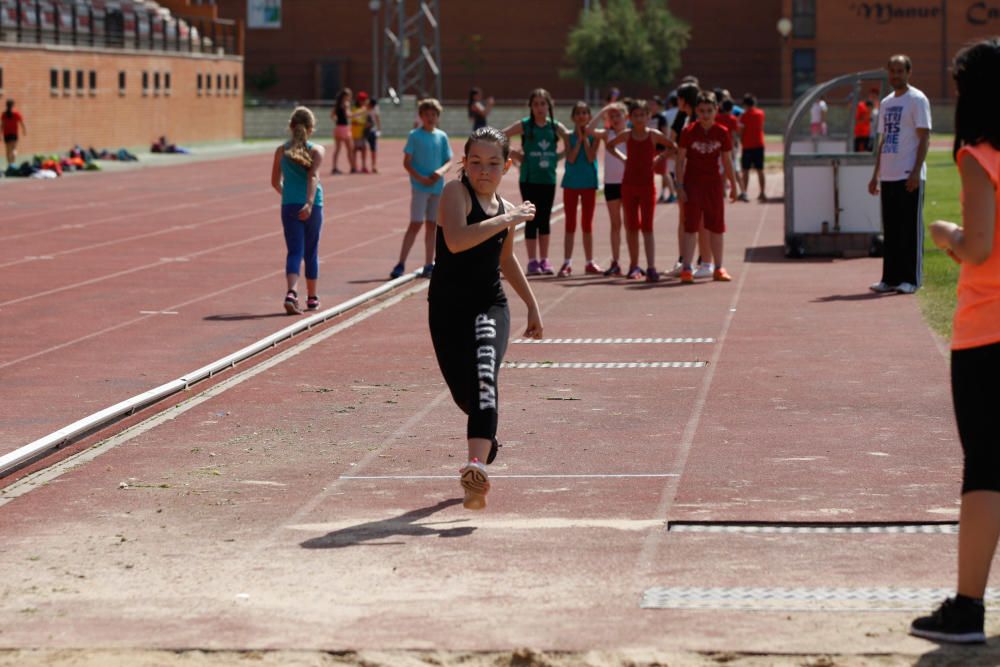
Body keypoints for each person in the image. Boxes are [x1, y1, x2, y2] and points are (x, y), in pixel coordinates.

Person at [910, 38, 1000, 645]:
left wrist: (943, 232)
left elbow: (979, 247)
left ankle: (967, 606)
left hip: (987, 329)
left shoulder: (978, 156)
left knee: (987, 467)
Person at [428, 126, 542, 510]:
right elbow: (458, 241)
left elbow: (505, 260)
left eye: (494, 163)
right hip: (446, 310)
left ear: (507, 166)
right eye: (475, 162)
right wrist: (509, 220)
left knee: (485, 378)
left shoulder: (507, 210)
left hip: (489, 305)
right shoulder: (453, 193)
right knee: (468, 395)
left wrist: (531, 303)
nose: (484, 170)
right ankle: (486, 437)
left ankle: (475, 470)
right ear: (464, 163)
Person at [867, 54, 932, 295]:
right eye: (892, 71)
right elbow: (883, 141)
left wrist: (915, 172)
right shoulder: (885, 103)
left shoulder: (917, 100)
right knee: (891, 230)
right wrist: (876, 175)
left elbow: (925, 136)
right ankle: (890, 278)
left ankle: (911, 279)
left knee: (909, 229)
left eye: (900, 71)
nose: (896, 75)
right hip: (889, 175)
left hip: (909, 174)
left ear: (908, 72)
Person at [606, 99, 675, 282]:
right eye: (635, 115)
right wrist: (623, 158)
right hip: (628, 185)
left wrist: (658, 158)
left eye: (642, 115)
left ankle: (651, 266)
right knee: (631, 228)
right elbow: (609, 146)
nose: (638, 118)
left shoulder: (653, 135)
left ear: (648, 116)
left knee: (648, 227)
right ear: (630, 117)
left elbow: (672, 147)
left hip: (647, 186)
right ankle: (634, 265)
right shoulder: (627, 135)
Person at [503, 88, 570, 275]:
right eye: (536, 104)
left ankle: (545, 260)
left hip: (548, 179)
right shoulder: (525, 125)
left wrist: (560, 156)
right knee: (531, 219)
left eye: (543, 104)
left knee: (545, 219)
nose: (540, 108)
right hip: (529, 179)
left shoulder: (555, 127)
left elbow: (570, 139)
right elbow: (501, 136)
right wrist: (515, 154)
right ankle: (532, 261)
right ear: (531, 107)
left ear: (549, 106)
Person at [676, 91, 739, 284]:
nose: (705, 115)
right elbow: (680, 160)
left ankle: (718, 267)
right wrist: (679, 185)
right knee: (691, 226)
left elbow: (727, 161)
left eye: (709, 111)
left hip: (713, 185)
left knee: (716, 227)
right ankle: (687, 268)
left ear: (716, 110)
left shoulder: (722, 132)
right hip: (693, 184)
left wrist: (734, 185)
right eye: (702, 111)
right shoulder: (688, 132)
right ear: (696, 111)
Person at [270, 107, 325, 314]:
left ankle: (292, 293)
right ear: (311, 129)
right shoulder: (316, 150)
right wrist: (309, 203)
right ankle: (312, 298)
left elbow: (275, 182)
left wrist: (289, 194)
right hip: (313, 205)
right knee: (311, 251)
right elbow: (313, 176)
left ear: (291, 127)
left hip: (289, 204)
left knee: (294, 250)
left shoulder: (281, 151)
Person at [391, 98, 453, 279]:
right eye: (427, 114)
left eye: (434, 114)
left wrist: (440, 172)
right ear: (421, 116)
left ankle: (429, 263)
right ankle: (401, 262)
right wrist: (420, 178)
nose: (431, 118)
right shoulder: (414, 135)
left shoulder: (442, 136)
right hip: (420, 186)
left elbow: (448, 160)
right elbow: (407, 162)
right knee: (416, 223)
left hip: (437, 187)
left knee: (432, 225)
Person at [666, 82, 713, 278]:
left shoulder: (698, 122)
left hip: (694, 174)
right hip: (682, 171)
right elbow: (673, 142)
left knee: (698, 220)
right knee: (685, 219)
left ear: (684, 99)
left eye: (679, 98)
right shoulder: (682, 117)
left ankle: (704, 261)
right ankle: (684, 260)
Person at [558, 101, 602, 277]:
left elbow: (591, 157)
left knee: (587, 224)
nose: (581, 116)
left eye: (585, 113)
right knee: (570, 224)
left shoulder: (595, 136)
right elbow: (570, 158)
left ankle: (589, 262)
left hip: (589, 183)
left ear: (589, 116)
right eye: (578, 113)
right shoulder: (568, 136)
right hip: (571, 183)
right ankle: (567, 262)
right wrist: (579, 140)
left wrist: (585, 139)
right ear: (573, 117)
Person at [589, 102, 629, 276]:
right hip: (611, 183)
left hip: (628, 182)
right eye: (611, 117)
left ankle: (634, 262)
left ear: (626, 117)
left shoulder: (630, 134)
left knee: (630, 224)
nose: (615, 119)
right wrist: (603, 111)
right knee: (615, 224)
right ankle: (616, 261)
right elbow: (589, 130)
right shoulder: (607, 134)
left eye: (618, 115)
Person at [716, 98, 747, 201]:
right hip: (729, 147)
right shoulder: (733, 118)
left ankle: (722, 191)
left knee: (722, 170)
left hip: (719, 147)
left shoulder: (717, 117)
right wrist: (734, 149)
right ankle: (743, 191)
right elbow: (734, 135)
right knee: (735, 170)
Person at [739, 93, 767, 202]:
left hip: (747, 145)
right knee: (760, 170)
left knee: (745, 170)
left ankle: (744, 192)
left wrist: (741, 140)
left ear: (745, 104)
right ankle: (762, 192)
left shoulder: (744, 116)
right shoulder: (761, 113)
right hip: (759, 144)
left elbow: (741, 131)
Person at [330, 88, 355, 174]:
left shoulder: (337, 104)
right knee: (350, 149)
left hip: (338, 128)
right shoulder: (346, 104)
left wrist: (336, 120)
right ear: (346, 96)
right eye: (350, 95)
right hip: (344, 128)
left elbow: (332, 115)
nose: (350, 97)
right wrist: (359, 113)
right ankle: (353, 167)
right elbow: (348, 115)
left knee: (337, 149)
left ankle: (334, 167)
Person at [2, 100, 26, 167]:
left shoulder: (4, 114)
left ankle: (9, 164)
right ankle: (13, 164)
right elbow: (22, 123)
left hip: (6, 134)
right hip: (13, 134)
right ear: (13, 105)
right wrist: (24, 130)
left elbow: (2, 125)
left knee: (8, 150)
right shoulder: (16, 114)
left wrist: (0, 134)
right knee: (14, 149)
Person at [352, 91, 370, 173]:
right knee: (355, 149)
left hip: (363, 133)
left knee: (364, 149)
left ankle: (363, 166)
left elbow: (367, 119)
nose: (363, 101)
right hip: (356, 132)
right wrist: (363, 123)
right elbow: (354, 121)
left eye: (364, 100)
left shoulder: (365, 109)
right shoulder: (355, 109)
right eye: (362, 100)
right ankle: (354, 166)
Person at [364, 97, 381, 173]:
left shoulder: (374, 110)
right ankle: (365, 166)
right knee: (364, 148)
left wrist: (379, 129)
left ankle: (373, 166)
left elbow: (377, 119)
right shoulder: (365, 109)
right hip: (364, 131)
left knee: (373, 149)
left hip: (371, 131)